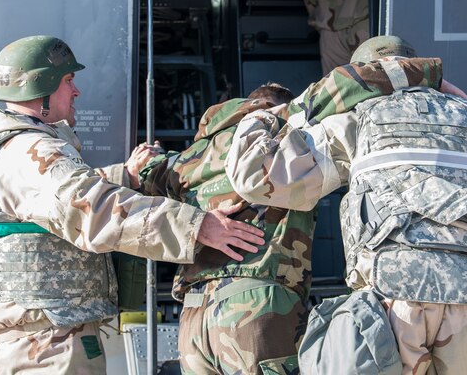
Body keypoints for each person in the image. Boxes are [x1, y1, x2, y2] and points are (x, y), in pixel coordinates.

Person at [225, 36, 467, 375]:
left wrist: (269, 115)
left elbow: (253, 176)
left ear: (361, 80)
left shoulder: (354, 121)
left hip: (394, 308)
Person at [0, 35, 266, 375]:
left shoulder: (13, 148)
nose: (76, 92)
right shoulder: (30, 153)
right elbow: (90, 209)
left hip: (40, 338)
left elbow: (56, 198)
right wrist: (196, 226)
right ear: (42, 88)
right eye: (68, 81)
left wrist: (125, 176)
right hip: (46, 348)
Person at [136, 55, 448, 375]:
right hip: (257, 304)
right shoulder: (283, 129)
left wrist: (147, 160)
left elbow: (147, 175)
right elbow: (344, 84)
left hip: (194, 314)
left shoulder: (192, 158)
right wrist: (427, 75)